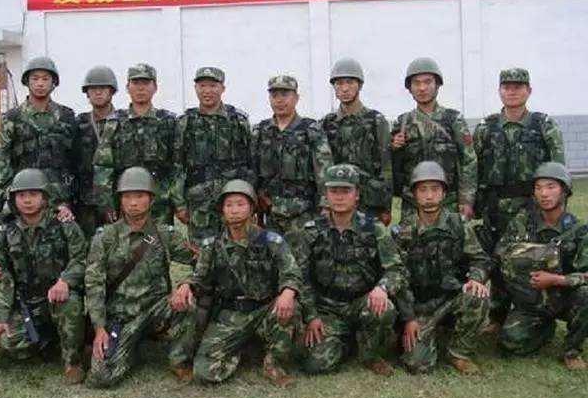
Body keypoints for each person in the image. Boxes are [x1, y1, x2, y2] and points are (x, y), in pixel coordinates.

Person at [172, 180, 302, 386]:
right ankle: (242, 348)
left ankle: (274, 363)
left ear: (252, 208)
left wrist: (287, 292)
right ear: (222, 211)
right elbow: (200, 277)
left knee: (290, 306)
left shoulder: (271, 241)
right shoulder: (212, 245)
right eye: (229, 205)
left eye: (241, 204)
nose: (234, 210)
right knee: (205, 373)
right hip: (231, 314)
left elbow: (291, 272)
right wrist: (186, 285)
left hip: (265, 310)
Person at [85, 167, 197, 388]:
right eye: (127, 197)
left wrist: (186, 283)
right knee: (100, 378)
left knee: (188, 304)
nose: (133, 203)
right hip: (121, 316)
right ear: (120, 200)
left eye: (139, 196)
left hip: (156, 310)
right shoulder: (105, 237)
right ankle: (127, 348)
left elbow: (200, 261)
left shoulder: (165, 234)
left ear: (151, 199)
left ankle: (179, 360)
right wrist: (99, 328)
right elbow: (94, 283)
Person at [290, 164, 405, 375]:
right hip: (328, 308)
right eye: (334, 191)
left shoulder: (374, 228)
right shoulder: (311, 231)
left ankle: (370, 355)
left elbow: (395, 269)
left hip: (362, 302)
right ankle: (346, 342)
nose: (339, 197)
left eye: (346, 191)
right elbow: (301, 277)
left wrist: (382, 288)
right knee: (315, 365)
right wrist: (312, 316)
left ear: (357, 194)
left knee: (384, 308)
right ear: (326, 195)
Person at [474, 68, 565, 331]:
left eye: (518, 87)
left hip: (532, 206)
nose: (512, 92)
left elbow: (558, 170)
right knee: (497, 258)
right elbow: (473, 167)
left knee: (533, 258)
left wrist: (556, 206)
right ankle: (497, 315)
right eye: (507, 87)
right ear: (499, 91)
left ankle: (536, 313)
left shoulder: (544, 125)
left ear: (529, 90)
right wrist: (473, 202)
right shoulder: (486, 127)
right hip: (495, 206)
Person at [0, 168, 87, 384]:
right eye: (21, 195)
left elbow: (82, 258)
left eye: (33, 194)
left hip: (59, 296)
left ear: (45, 197)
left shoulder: (64, 224)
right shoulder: (5, 232)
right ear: (14, 199)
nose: (27, 200)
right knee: (8, 342)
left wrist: (65, 280)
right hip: (27, 302)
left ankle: (73, 361)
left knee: (70, 305)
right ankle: (49, 339)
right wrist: (0, 316)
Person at [393, 161, 490, 374]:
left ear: (444, 193)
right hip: (420, 306)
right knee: (418, 365)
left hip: (451, 299)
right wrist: (409, 318)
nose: (429, 196)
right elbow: (397, 276)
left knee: (477, 295)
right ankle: (428, 333)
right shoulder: (404, 232)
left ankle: (459, 353)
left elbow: (480, 259)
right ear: (414, 195)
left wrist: (475, 278)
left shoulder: (459, 224)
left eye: (435, 189)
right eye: (423, 190)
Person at [495, 162, 588, 370]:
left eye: (550, 187)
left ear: (564, 191)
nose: (544, 194)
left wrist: (556, 279)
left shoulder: (579, 231)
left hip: (565, 298)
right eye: (538, 188)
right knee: (509, 343)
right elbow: (500, 252)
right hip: (531, 301)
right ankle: (544, 327)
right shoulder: (522, 222)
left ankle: (572, 351)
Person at [171, 67, 254, 241]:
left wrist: (250, 199)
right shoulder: (185, 122)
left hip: (232, 200)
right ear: (195, 88)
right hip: (199, 202)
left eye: (213, 86)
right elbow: (177, 165)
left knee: (237, 248)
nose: (207, 91)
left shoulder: (238, 121)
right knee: (202, 251)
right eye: (202, 86)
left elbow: (251, 162)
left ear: (222, 88)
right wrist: (179, 204)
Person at [0, 56, 76, 221]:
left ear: (53, 82)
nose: (40, 84)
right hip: (24, 197)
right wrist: (7, 197)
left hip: (60, 200)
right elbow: (1, 161)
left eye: (45, 79)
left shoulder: (66, 117)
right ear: (27, 82)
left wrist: (71, 197)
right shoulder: (13, 118)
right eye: (35, 79)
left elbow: (75, 161)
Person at [391, 57, 477, 221]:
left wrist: (466, 200)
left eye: (427, 82)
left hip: (448, 202)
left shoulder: (453, 120)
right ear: (410, 88)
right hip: (412, 204)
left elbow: (468, 161)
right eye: (416, 83)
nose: (422, 88)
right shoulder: (402, 123)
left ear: (437, 85)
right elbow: (391, 166)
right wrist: (395, 148)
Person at [94, 63, 176, 224]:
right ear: (127, 87)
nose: (140, 88)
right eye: (136, 83)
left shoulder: (168, 122)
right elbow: (103, 166)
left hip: (160, 202)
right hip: (125, 200)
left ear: (155, 87)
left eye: (145, 83)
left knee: (158, 239)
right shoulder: (115, 122)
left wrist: (177, 201)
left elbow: (177, 164)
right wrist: (106, 203)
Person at [252, 74, 332, 236]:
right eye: (274, 95)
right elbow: (252, 170)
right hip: (270, 214)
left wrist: (326, 206)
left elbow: (324, 169)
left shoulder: (311, 130)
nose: (279, 100)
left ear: (296, 98)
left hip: (304, 213)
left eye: (285, 94)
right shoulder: (261, 131)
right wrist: (252, 204)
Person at [321, 58, 393, 225]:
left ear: (359, 85)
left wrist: (386, 206)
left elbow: (386, 166)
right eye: (339, 84)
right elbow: (322, 166)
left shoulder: (376, 120)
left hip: (369, 201)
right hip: (338, 200)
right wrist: (325, 202)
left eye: (350, 82)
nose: (344, 88)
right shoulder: (327, 123)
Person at [74, 65, 120, 238]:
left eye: (103, 88)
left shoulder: (123, 122)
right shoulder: (79, 124)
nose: (98, 93)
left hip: (116, 198)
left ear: (112, 91)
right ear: (87, 93)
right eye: (93, 89)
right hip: (86, 201)